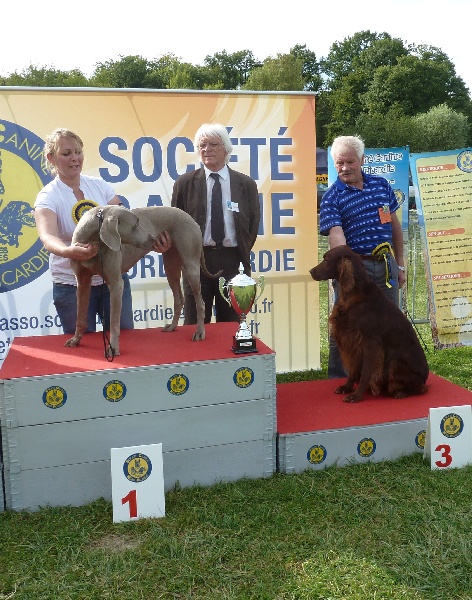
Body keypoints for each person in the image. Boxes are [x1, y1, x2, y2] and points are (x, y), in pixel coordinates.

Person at [34, 128, 170, 335]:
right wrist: (69, 251)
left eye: (78, 152)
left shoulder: (100, 186)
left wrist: (152, 243)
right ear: (51, 158)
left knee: (124, 341)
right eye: (66, 153)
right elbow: (48, 237)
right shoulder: (47, 196)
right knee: (83, 348)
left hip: (112, 280)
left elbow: (128, 223)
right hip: (71, 285)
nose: (75, 158)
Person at [318, 135, 406, 378]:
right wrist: (348, 272)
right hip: (355, 271)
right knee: (346, 325)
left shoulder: (381, 186)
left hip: (386, 266)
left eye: (350, 162)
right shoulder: (331, 197)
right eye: (339, 163)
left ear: (362, 160)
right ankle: (340, 378)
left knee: (390, 322)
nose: (345, 168)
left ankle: (388, 376)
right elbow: (336, 236)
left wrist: (400, 265)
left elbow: (394, 227)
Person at [171, 123, 260, 323]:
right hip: (196, 262)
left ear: (226, 149)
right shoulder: (185, 184)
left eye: (213, 144)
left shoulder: (245, 185)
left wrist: (240, 252)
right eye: (202, 145)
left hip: (232, 263)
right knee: (195, 324)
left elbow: (253, 224)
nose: (207, 149)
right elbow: (175, 225)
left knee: (230, 326)